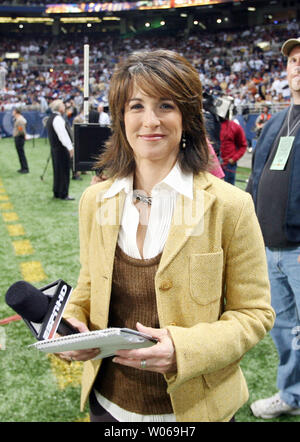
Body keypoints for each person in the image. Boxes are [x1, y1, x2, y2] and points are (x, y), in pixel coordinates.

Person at [58, 50, 274, 422]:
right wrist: (73, 324)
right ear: (120, 117)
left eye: (166, 105)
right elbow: (89, 283)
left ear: (187, 117)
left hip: (196, 410)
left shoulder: (230, 206)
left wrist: (184, 350)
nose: (150, 121)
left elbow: (254, 313)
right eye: (136, 106)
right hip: (108, 406)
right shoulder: (96, 200)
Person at [247, 37, 300, 419]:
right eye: (293, 60)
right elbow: (255, 178)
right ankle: (292, 393)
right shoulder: (277, 122)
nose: (297, 65)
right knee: (284, 331)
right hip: (270, 247)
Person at [46, 99, 75, 201]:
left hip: (55, 149)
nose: (64, 107)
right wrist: (70, 148)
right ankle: (63, 193)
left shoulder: (51, 118)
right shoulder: (58, 119)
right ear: (59, 107)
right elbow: (63, 135)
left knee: (57, 171)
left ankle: (57, 191)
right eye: (63, 106)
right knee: (64, 171)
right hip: (61, 149)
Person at [219, 113, 248, 185]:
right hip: (215, 164)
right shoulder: (212, 126)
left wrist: (234, 159)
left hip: (229, 165)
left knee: (229, 191)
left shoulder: (235, 127)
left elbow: (243, 145)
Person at [12, 108, 29, 174]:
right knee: (20, 153)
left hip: (19, 137)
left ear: (16, 112)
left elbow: (21, 129)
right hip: (18, 137)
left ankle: (25, 168)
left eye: (13, 111)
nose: (12, 112)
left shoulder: (19, 120)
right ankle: (22, 167)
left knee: (21, 153)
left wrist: (24, 135)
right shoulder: (18, 119)